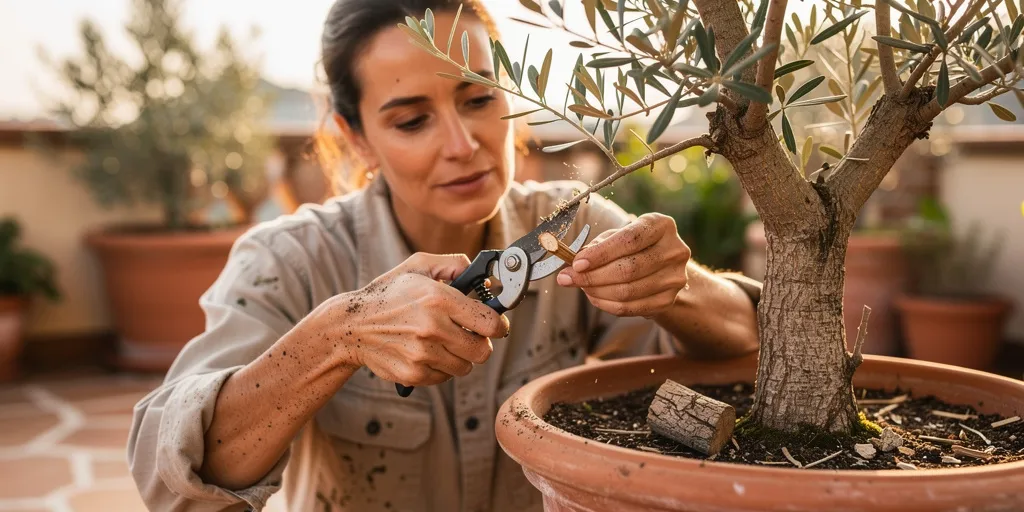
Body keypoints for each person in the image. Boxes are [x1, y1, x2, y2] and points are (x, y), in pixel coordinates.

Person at [126, 0, 762, 510]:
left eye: (478, 98)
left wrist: (680, 287)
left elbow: (754, 349)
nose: (462, 144)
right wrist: (338, 335)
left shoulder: (573, 221)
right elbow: (169, 479)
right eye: (411, 121)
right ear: (356, 138)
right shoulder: (289, 260)